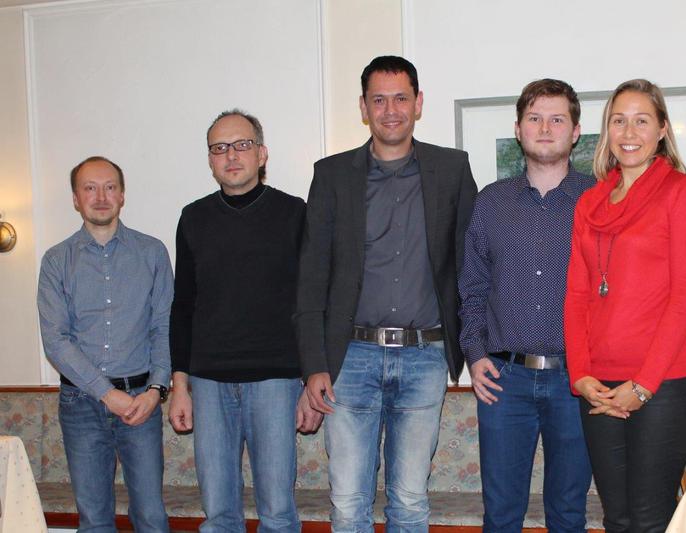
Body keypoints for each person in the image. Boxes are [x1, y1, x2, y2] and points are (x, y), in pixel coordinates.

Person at [296, 55, 477, 532]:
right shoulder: (332, 175)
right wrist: (314, 365)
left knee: (411, 502)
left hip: (424, 358)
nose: (390, 110)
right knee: (348, 504)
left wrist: (476, 348)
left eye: (400, 98)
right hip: (350, 360)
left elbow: (472, 266)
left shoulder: (452, 169)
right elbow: (311, 278)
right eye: (379, 100)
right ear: (363, 107)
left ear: (418, 103)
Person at [565, 79, 686, 533]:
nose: (629, 132)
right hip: (599, 386)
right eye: (618, 121)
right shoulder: (590, 203)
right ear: (607, 130)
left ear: (662, 129)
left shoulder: (681, 192)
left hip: (663, 384)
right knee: (618, 518)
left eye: (641, 121)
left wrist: (643, 386)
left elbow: (683, 301)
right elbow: (577, 296)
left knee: (649, 519)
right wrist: (580, 374)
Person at [168, 109, 321, 532]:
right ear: (210, 159)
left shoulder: (295, 213)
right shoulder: (193, 218)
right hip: (208, 383)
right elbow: (183, 306)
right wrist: (179, 386)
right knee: (219, 515)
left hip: (276, 381)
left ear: (261, 154)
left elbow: (312, 303)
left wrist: (311, 381)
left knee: (277, 513)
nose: (231, 155)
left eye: (241, 145)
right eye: (220, 148)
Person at [459, 79, 594, 533]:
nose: (545, 128)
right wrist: (475, 353)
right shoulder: (491, 202)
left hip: (577, 381)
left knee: (568, 515)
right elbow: (472, 287)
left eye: (557, 119)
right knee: (500, 517)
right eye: (535, 118)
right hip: (504, 380)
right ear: (518, 129)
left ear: (575, 131)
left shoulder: (599, 201)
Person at [37, 156, 172, 532]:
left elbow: (164, 326)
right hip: (80, 403)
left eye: (110, 187)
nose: (101, 197)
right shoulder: (56, 261)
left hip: (142, 401)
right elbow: (56, 340)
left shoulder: (152, 252)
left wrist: (157, 390)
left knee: (151, 516)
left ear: (122, 195)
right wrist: (107, 394)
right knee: (94, 519)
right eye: (90, 188)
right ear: (75, 199)